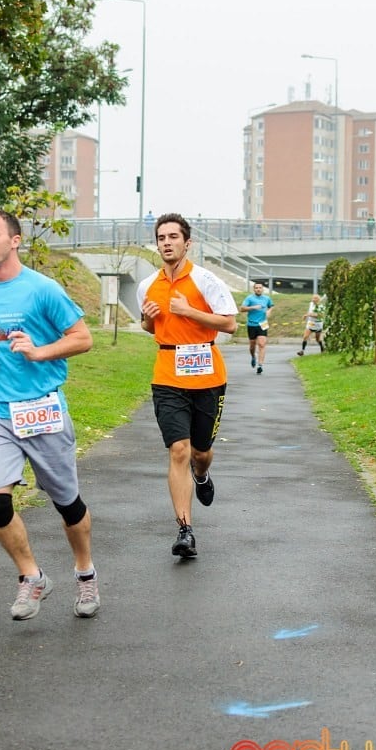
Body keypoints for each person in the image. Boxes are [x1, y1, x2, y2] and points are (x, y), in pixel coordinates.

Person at [0, 208, 100, 621]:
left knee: (67, 504)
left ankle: (85, 572)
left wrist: (39, 351)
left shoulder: (43, 290)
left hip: (42, 410)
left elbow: (82, 338)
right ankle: (31, 577)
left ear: (15, 240)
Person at [137, 213, 238, 560]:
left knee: (200, 452)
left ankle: (202, 473)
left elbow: (230, 324)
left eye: (173, 237)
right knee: (178, 449)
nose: (166, 242)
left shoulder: (206, 280)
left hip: (208, 375)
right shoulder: (148, 285)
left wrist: (189, 311)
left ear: (187, 242)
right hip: (167, 375)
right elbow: (151, 328)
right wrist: (149, 318)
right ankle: (185, 529)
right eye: (161, 237)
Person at [240, 282, 274, 374]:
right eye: (256, 288)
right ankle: (253, 357)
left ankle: (260, 365)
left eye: (260, 287)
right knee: (252, 345)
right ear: (254, 289)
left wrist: (269, 311)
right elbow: (242, 309)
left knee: (262, 344)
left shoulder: (267, 298)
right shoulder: (249, 298)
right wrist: (253, 307)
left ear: (262, 289)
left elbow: (271, 306)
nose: (258, 289)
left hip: (263, 324)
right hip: (252, 324)